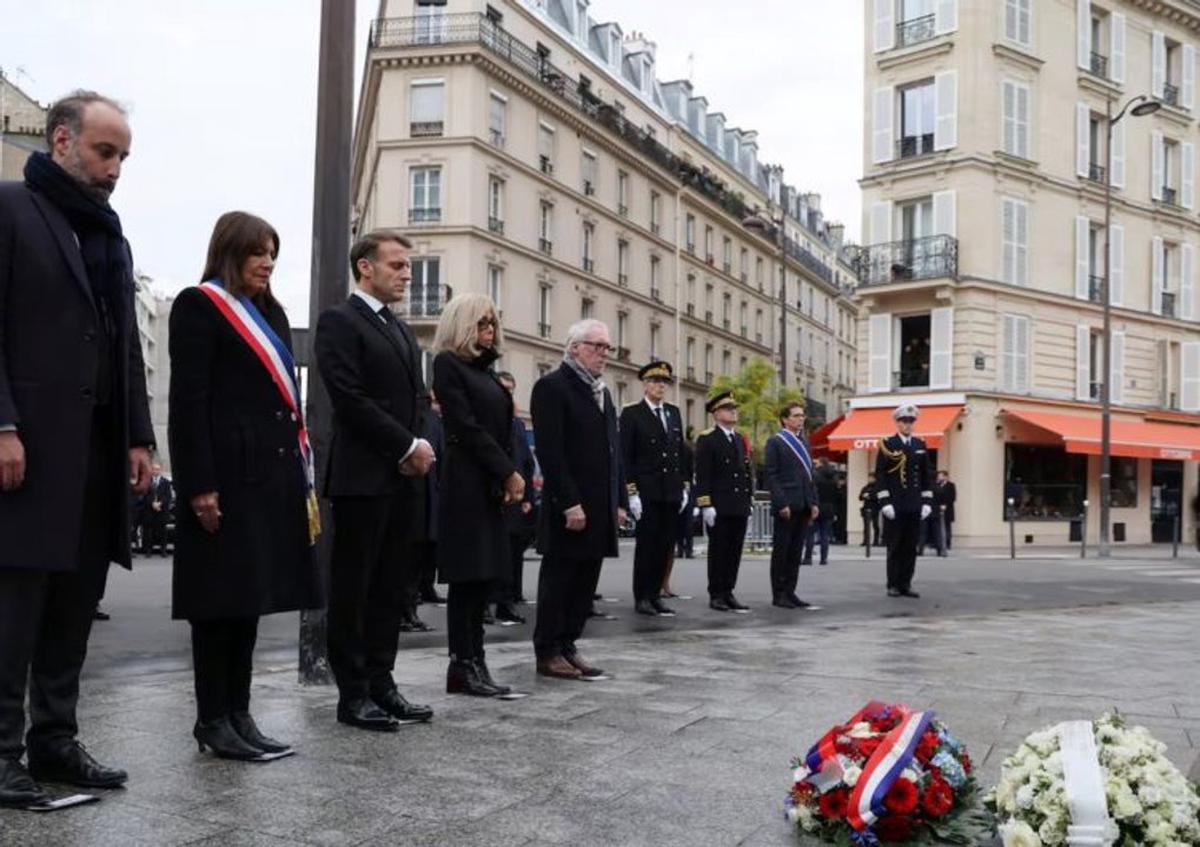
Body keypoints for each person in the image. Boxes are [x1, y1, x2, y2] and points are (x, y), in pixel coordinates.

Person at [0, 91, 154, 808]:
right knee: (15, 607)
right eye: (105, 151)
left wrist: (139, 437)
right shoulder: (11, 207)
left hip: (94, 455)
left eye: (123, 155)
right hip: (27, 446)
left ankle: (54, 741)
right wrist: (2, 425)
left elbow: (123, 346)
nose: (117, 167)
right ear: (61, 139)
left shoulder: (112, 236)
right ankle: (2, 755)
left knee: (73, 604)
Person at [169, 211, 321, 761]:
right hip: (224, 481)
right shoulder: (199, 306)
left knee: (248, 604)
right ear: (230, 252)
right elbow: (188, 405)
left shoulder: (270, 313)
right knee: (218, 605)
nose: (267, 262)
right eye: (258, 251)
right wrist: (200, 486)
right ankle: (212, 718)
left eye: (273, 253)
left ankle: (240, 713)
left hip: (267, 481)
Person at [314, 230, 435, 732]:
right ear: (365, 267)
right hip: (363, 477)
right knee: (355, 588)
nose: (407, 274)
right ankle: (354, 693)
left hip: (403, 477)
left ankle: (383, 683)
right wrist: (406, 446)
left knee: (392, 588)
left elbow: (418, 400)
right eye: (398, 265)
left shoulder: (402, 331)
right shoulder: (340, 321)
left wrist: (418, 447)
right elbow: (350, 397)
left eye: (407, 267)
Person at [431, 295, 524, 697]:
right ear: (464, 325)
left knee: (484, 577)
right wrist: (507, 471)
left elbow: (507, 430)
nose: (490, 330)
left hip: (490, 484)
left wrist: (509, 472)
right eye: (482, 323)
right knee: (467, 578)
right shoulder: (448, 365)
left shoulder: (488, 373)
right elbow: (465, 427)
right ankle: (462, 664)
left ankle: (477, 661)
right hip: (467, 483)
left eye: (492, 323)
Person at [531, 319, 627, 680]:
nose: (604, 353)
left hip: (599, 506)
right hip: (569, 508)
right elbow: (552, 454)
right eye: (596, 346)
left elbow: (612, 452)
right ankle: (548, 650)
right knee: (559, 580)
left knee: (585, 582)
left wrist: (618, 501)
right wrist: (569, 502)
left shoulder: (602, 392)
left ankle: (569, 644)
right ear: (574, 347)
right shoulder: (552, 387)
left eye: (607, 347)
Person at [620, 361, 687, 618]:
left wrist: (683, 486)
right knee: (647, 546)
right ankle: (643, 596)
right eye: (656, 381)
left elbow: (679, 453)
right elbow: (627, 457)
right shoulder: (632, 414)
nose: (661, 386)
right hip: (647, 491)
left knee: (665, 545)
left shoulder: (673, 413)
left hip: (670, 490)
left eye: (664, 382)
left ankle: (656, 594)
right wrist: (632, 492)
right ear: (645, 384)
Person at [695, 392, 752, 613]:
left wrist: (749, 499)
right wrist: (705, 504)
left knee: (734, 551)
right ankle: (716, 593)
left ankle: (728, 590)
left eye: (734, 408)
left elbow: (745, 472)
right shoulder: (708, 439)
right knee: (719, 551)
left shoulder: (738, 438)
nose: (733, 411)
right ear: (717, 413)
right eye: (729, 408)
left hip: (737, 504)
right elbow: (703, 475)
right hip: (719, 505)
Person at [763, 403, 819, 609]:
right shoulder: (776, 442)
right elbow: (771, 475)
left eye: (802, 416)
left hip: (803, 503)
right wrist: (781, 502)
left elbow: (809, 476)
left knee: (796, 552)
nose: (801, 419)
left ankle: (790, 591)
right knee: (782, 552)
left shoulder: (804, 443)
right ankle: (779, 594)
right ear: (785, 419)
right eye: (796, 416)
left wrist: (814, 502)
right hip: (786, 505)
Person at [875, 404, 933, 598]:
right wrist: (885, 502)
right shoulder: (887, 444)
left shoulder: (919, 444)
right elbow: (881, 475)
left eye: (911, 421)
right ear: (897, 423)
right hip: (896, 504)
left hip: (914, 503)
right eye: (904, 421)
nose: (908, 425)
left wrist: (926, 502)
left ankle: (906, 583)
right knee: (895, 546)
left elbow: (926, 475)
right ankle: (892, 584)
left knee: (910, 547)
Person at [496, 371, 536, 623]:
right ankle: (494, 603)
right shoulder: (489, 419)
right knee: (496, 553)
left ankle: (508, 600)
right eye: (503, 389)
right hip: (497, 495)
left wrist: (528, 496)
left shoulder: (518, 424)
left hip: (517, 498)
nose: (508, 394)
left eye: (511, 390)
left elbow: (527, 464)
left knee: (513, 552)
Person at [803, 458, 838, 566]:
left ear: (821, 464)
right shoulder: (833, 478)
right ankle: (824, 559)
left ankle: (808, 558)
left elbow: (810, 491)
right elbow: (836, 496)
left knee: (810, 533)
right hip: (829, 508)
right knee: (824, 535)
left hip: (816, 506)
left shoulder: (815, 476)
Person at [673, 436, 696, 562]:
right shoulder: (684, 449)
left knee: (686, 522)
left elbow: (691, 471)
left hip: (685, 487)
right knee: (683, 522)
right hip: (681, 486)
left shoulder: (685, 450)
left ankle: (686, 548)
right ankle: (683, 548)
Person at [143, 464, 174, 556]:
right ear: (151, 470)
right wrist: (152, 503)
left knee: (163, 532)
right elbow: (144, 495)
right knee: (149, 532)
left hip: (162, 510)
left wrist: (160, 503)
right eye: (154, 469)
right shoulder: (147, 482)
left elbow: (168, 496)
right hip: (150, 510)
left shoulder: (166, 482)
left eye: (157, 469)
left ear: (160, 470)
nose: (155, 471)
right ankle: (148, 551)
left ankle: (163, 550)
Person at [934, 470, 957, 553]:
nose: (939, 477)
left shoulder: (951, 485)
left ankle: (948, 543)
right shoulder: (937, 485)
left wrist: (945, 504)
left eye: (940, 476)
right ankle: (939, 544)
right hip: (938, 509)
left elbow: (953, 497)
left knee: (947, 527)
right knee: (939, 527)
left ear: (945, 476)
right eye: (938, 476)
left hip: (948, 509)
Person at [859, 473, 881, 548]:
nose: (870, 479)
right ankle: (865, 541)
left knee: (875, 525)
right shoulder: (865, 487)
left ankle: (876, 541)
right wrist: (864, 496)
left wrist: (869, 496)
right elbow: (860, 497)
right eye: (869, 478)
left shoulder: (877, 487)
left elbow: (877, 496)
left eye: (871, 478)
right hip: (866, 508)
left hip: (875, 508)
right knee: (866, 526)